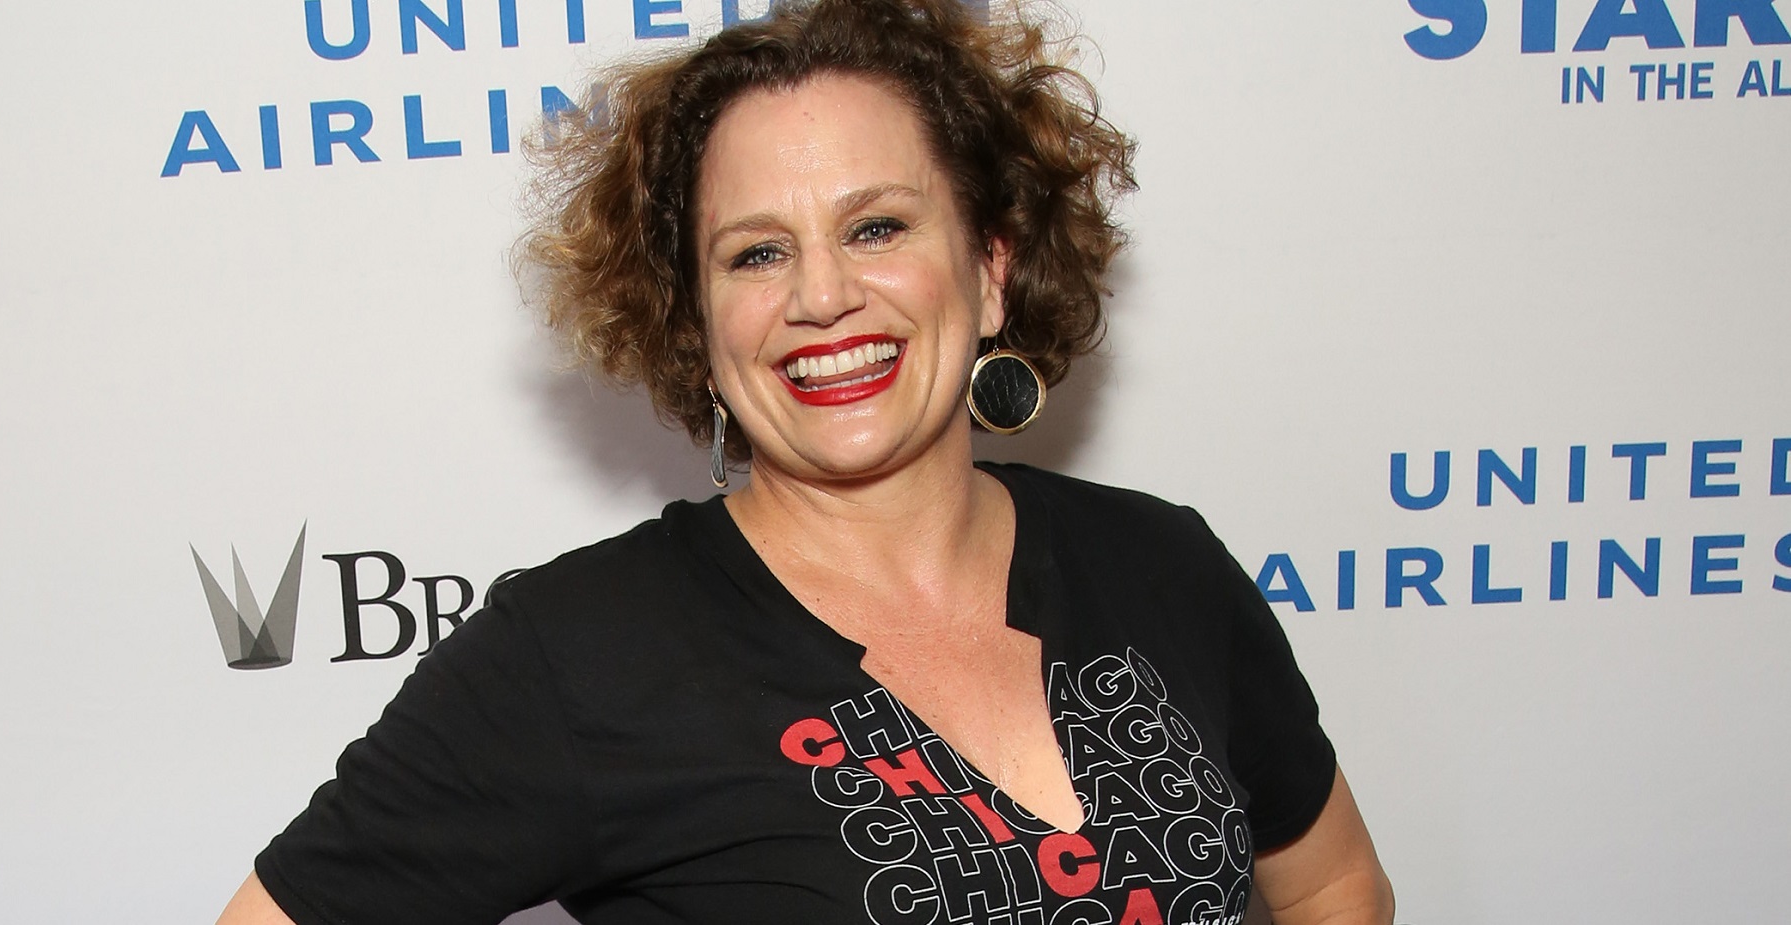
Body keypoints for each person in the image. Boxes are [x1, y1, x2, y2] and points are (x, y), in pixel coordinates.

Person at [217, 0, 1395, 922]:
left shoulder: (1158, 561)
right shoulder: (582, 656)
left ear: (989, 270)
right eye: (756, 253)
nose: (822, 296)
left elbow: (1336, 885)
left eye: (877, 227)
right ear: (696, 322)